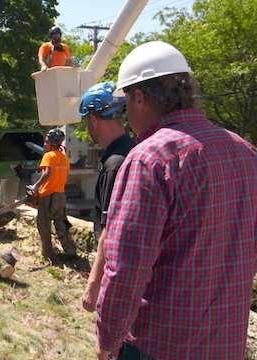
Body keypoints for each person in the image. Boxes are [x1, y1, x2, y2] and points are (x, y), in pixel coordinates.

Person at [95, 41, 257, 360]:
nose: (127, 118)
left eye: (127, 104)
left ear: (140, 98)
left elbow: (125, 270)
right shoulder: (245, 152)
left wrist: (107, 341)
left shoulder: (149, 159)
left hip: (159, 347)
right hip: (226, 345)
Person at [76, 82, 135, 312]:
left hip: (117, 270)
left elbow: (110, 230)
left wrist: (93, 283)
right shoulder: (133, 149)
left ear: (93, 119)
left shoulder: (114, 165)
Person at [27, 129, 77, 263]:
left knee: (43, 225)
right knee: (61, 224)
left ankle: (48, 254)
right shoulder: (64, 157)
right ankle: (70, 250)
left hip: (48, 195)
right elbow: (65, 177)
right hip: (60, 195)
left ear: (52, 143)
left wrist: (35, 187)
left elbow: (47, 173)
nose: (44, 144)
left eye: (46, 141)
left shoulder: (49, 156)